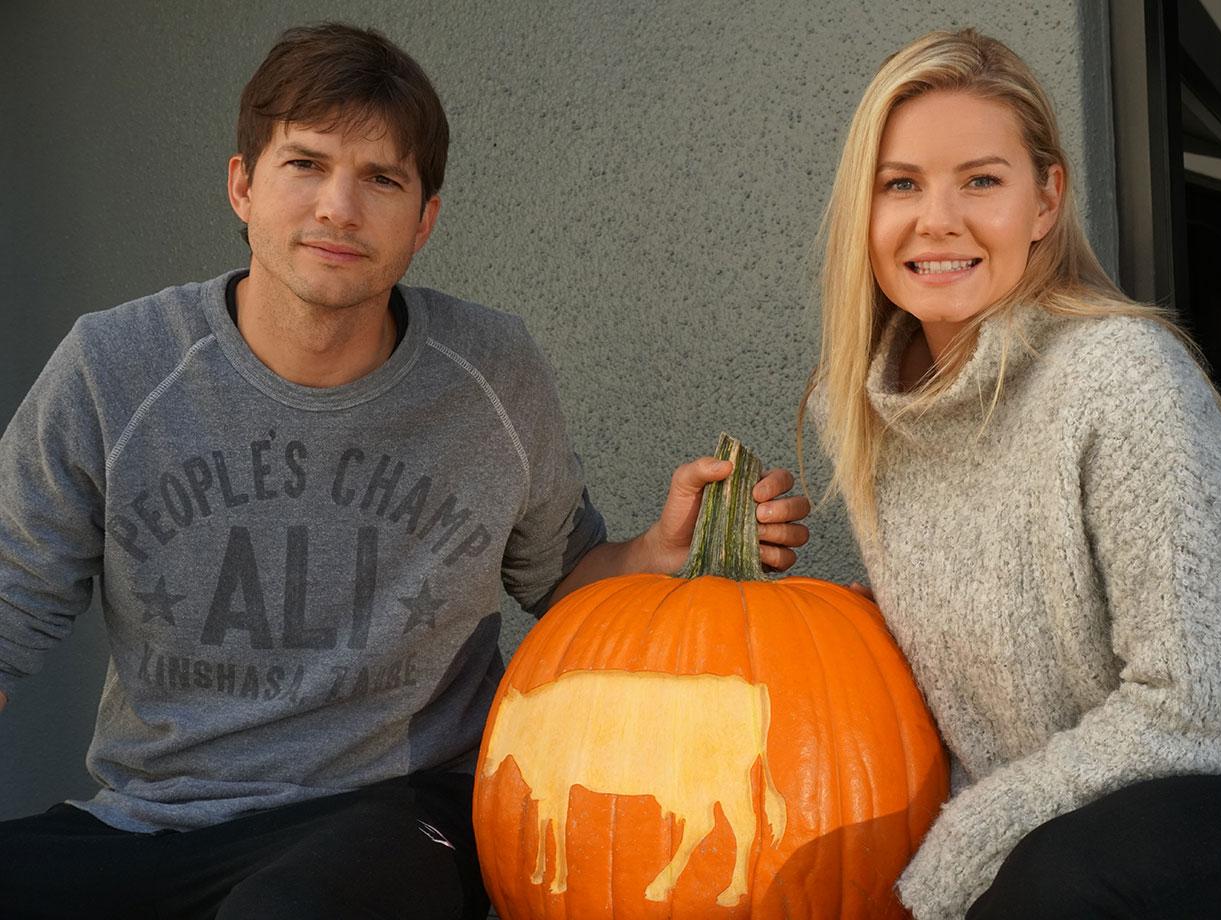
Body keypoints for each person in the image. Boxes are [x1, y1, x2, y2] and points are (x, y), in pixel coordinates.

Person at [0, 23, 808, 920]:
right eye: (305, 164)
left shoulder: (490, 372)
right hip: (152, 824)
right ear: (242, 185)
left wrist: (659, 551)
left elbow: (560, 584)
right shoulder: (115, 368)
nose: (339, 208)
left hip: (401, 816)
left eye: (381, 179)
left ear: (424, 219)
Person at [804, 27, 1221, 920]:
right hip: (1074, 817)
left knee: (1048, 888)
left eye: (982, 180)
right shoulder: (869, 416)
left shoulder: (1121, 376)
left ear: (1045, 200)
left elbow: (1204, 707)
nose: (938, 219)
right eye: (901, 183)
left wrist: (963, 840)